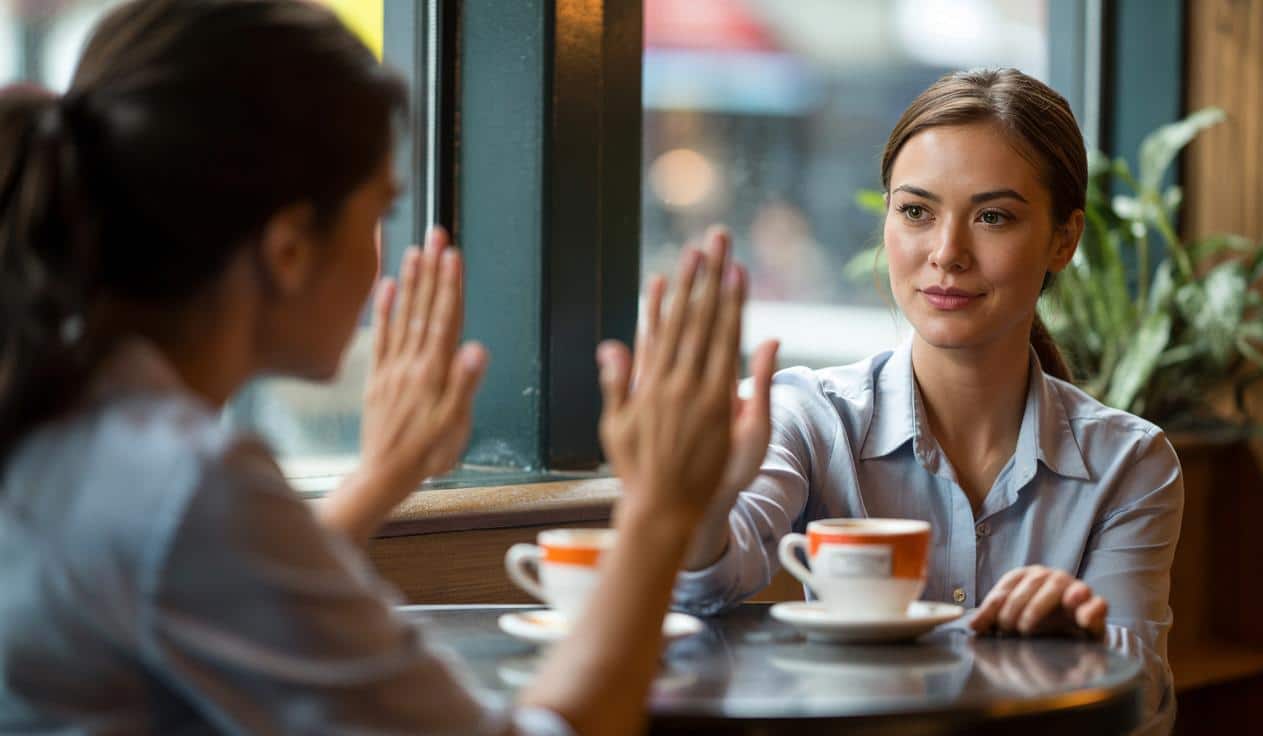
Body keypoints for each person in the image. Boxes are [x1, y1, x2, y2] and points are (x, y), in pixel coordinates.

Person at [0, 1, 776, 734]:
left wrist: (380, 479)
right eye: (380, 212)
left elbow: (206, 584)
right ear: (289, 250)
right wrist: (660, 511)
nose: (384, 258)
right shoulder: (184, 480)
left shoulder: (74, 422)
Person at [670, 68, 1184, 735]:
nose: (947, 253)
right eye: (917, 211)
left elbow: (1143, 707)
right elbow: (708, 587)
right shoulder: (809, 416)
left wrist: (1079, 645)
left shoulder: (1129, 462)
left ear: (1064, 239)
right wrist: (702, 499)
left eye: (993, 217)